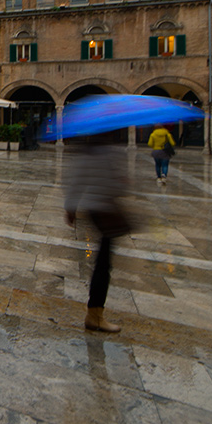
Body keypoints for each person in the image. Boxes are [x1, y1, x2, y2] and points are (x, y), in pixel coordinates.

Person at [64, 131, 132, 333]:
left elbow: (76, 182)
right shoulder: (108, 154)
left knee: (103, 261)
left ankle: (95, 313)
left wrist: (71, 207)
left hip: (94, 210)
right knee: (103, 263)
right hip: (105, 211)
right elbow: (115, 187)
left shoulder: (85, 154)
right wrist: (122, 183)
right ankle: (94, 315)